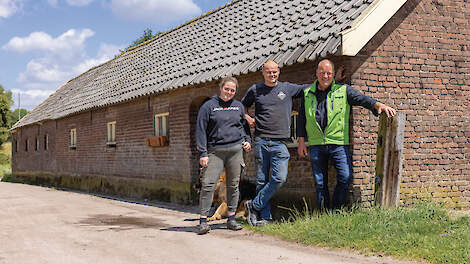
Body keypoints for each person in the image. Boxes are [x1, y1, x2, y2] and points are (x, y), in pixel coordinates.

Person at [297, 59, 396, 210]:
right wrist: (301, 142)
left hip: (338, 143)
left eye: (329, 73)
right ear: (317, 73)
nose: (325, 76)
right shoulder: (306, 94)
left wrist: (377, 105)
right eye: (322, 73)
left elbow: (362, 99)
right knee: (319, 182)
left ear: (333, 74)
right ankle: (324, 213)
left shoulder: (343, 90)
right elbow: (301, 118)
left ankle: (336, 210)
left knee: (345, 177)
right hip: (316, 144)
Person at [242, 60, 310, 226]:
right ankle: (264, 217)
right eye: (268, 72)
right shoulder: (255, 90)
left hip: (280, 143)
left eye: (274, 72)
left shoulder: (287, 88)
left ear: (278, 72)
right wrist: (248, 118)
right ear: (263, 73)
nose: (272, 75)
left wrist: (332, 79)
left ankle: (254, 205)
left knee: (279, 178)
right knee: (261, 180)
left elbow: (309, 88)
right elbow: (241, 107)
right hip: (261, 141)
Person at [196, 76, 252, 235]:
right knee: (208, 185)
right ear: (221, 88)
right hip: (214, 152)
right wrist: (203, 153)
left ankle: (231, 219)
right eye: (226, 89)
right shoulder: (208, 107)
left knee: (233, 186)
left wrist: (248, 141)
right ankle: (203, 221)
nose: (229, 92)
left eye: (232, 90)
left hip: (235, 151)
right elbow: (200, 130)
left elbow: (244, 127)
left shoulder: (238, 106)